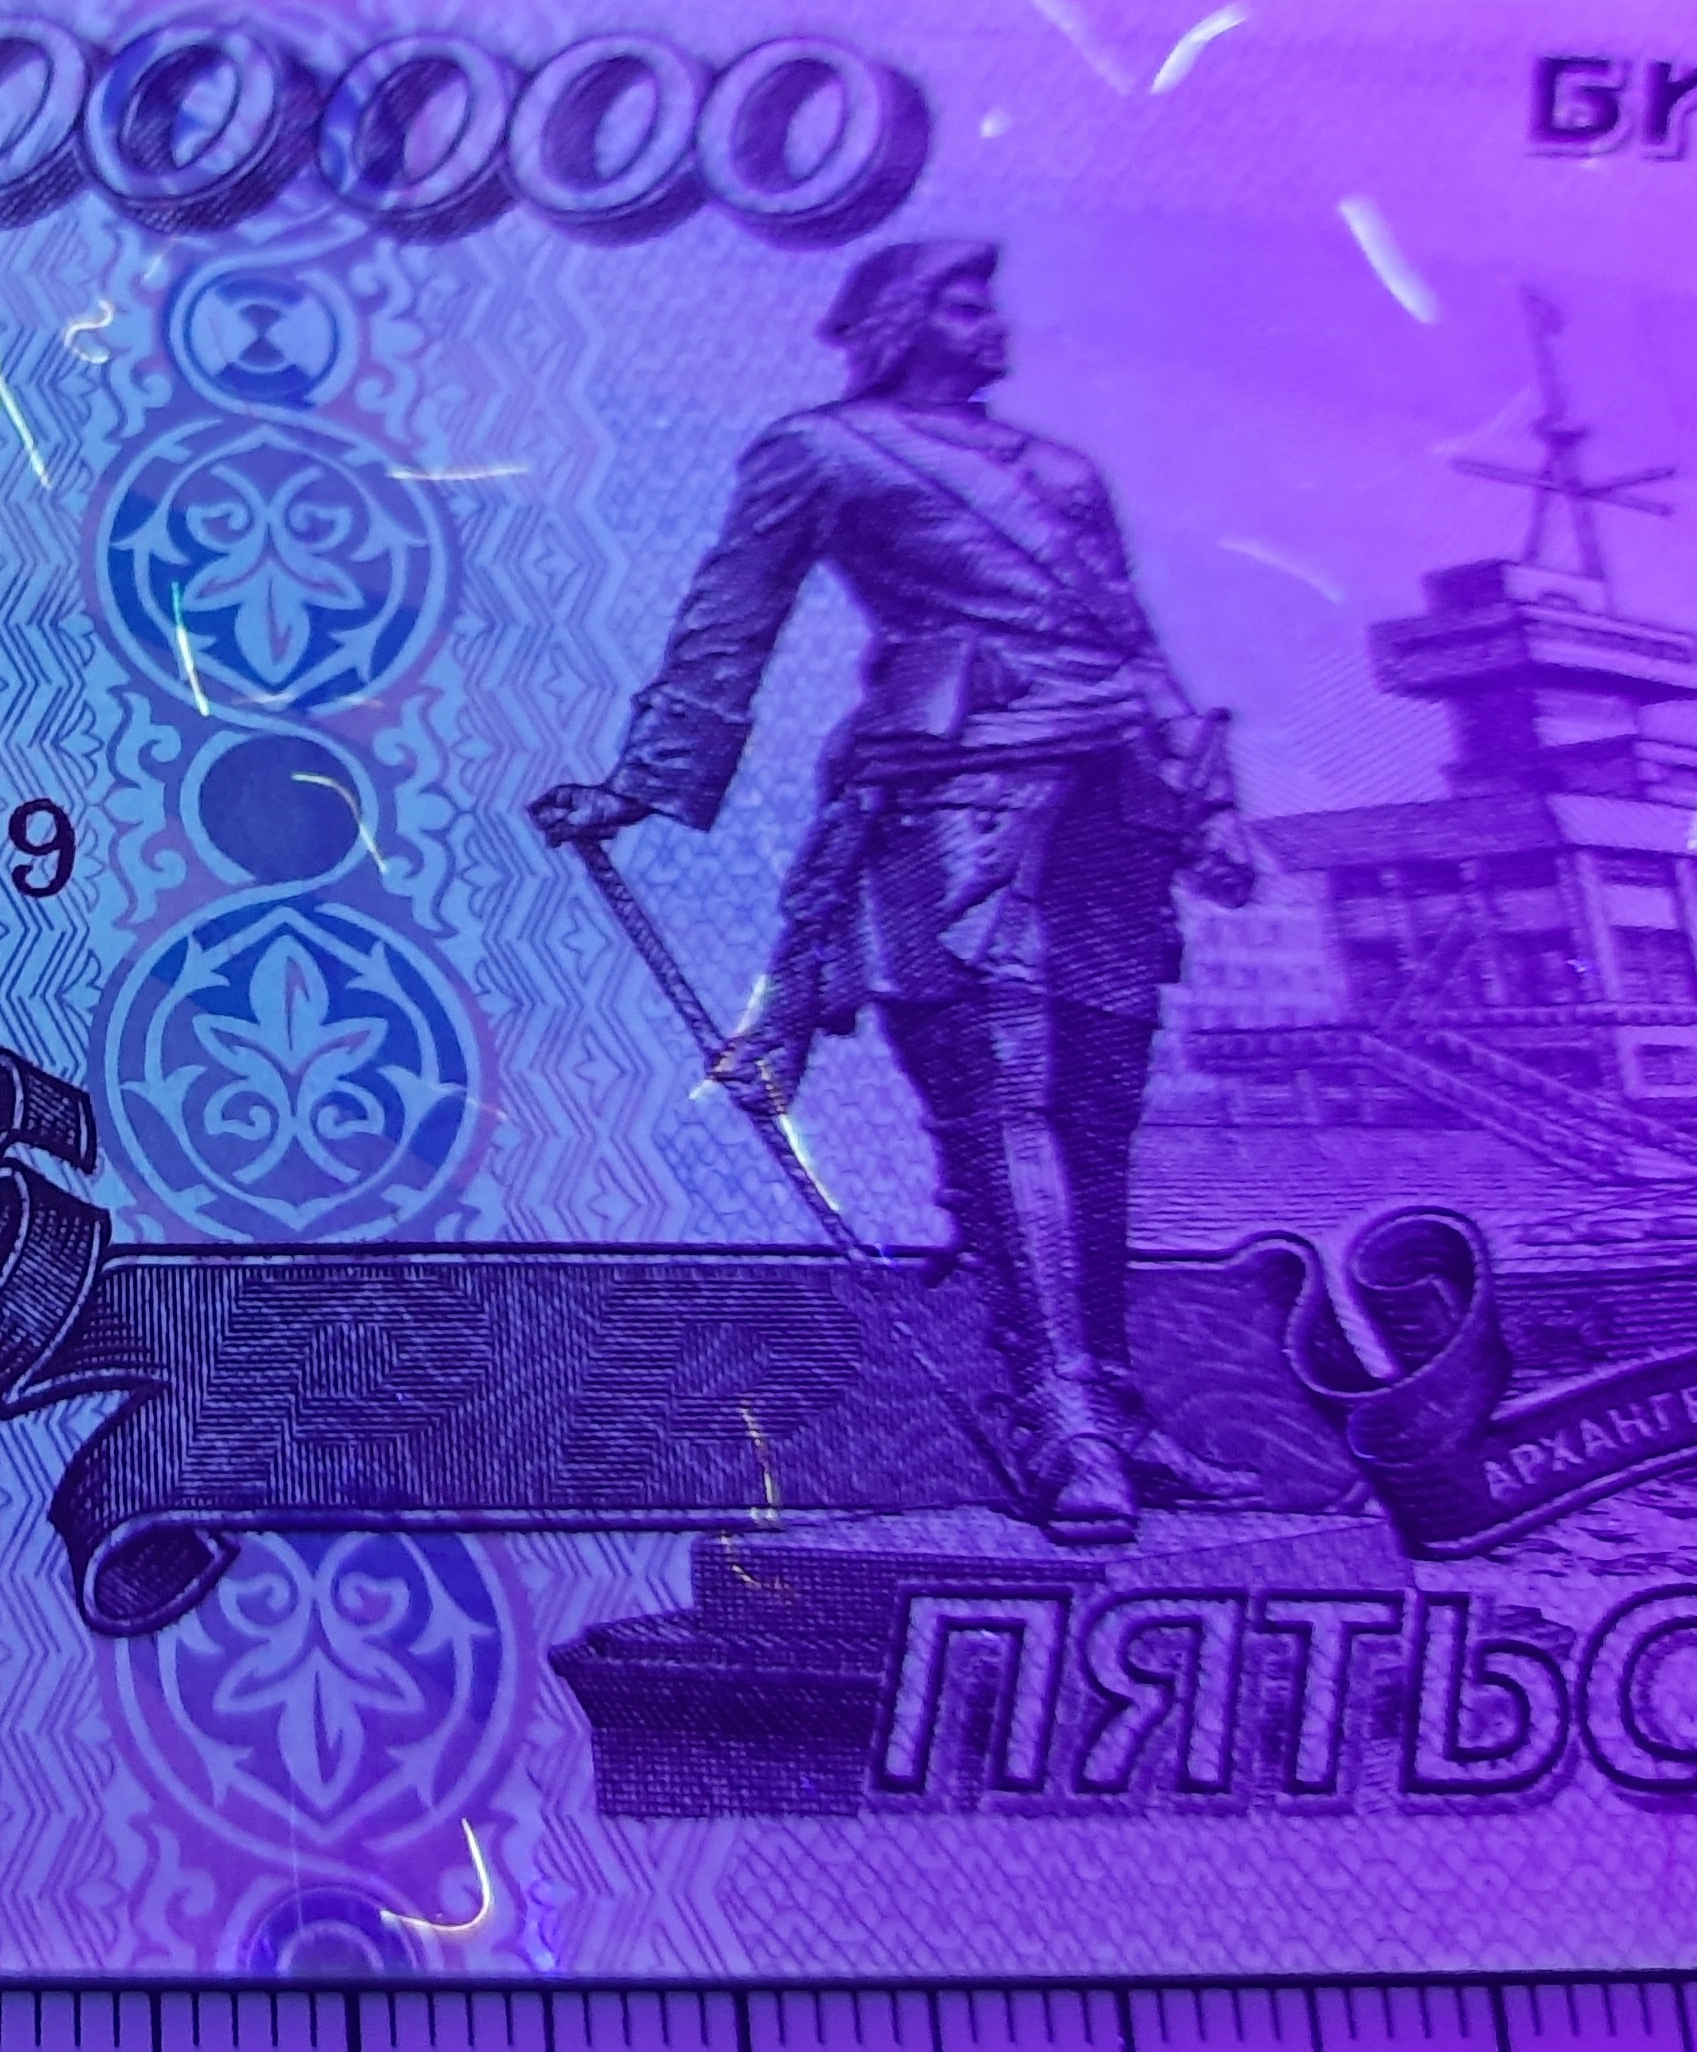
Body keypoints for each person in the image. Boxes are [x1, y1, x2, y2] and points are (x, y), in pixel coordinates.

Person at [533, 238, 1256, 1543]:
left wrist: (1209, 804)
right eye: (965, 304)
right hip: (950, 792)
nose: (995, 324)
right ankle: (1062, 1417)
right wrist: (640, 786)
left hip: (1115, 792)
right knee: (1004, 1097)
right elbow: (731, 621)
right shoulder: (822, 450)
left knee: (1099, 1108)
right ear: (904, 322)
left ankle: (1118, 1403)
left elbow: (1131, 640)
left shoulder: (1062, 471)